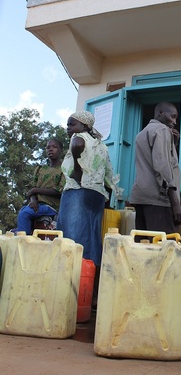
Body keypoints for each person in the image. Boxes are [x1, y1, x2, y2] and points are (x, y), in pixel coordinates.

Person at [57, 111, 117, 291]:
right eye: (68, 125)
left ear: (84, 126)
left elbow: (77, 144)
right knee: (92, 238)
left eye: (72, 124)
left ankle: (71, 288)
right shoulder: (102, 145)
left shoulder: (78, 137)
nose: (69, 128)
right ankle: (90, 289)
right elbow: (109, 175)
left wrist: (77, 167)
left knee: (72, 238)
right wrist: (109, 198)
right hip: (96, 195)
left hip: (78, 191)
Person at [129, 102, 181, 234]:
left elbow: (155, 160)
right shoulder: (162, 130)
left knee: (144, 245)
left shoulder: (142, 133)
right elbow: (163, 167)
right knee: (164, 248)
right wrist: (176, 204)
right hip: (158, 199)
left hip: (142, 197)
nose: (175, 122)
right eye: (172, 116)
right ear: (160, 113)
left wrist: (172, 145)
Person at [17, 138, 65, 234]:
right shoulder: (39, 169)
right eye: (48, 147)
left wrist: (36, 190)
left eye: (54, 147)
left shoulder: (63, 169)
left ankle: (24, 243)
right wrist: (33, 199)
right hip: (37, 205)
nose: (50, 149)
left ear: (61, 151)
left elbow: (59, 191)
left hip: (51, 206)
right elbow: (31, 189)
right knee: (23, 211)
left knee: (24, 214)